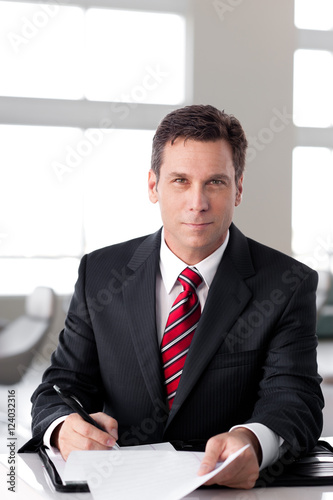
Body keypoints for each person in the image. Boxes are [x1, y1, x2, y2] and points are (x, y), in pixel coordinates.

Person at [21, 104, 324, 490]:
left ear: (239, 188)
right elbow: (60, 387)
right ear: (153, 186)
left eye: (215, 182)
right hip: (120, 489)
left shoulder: (287, 282)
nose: (197, 202)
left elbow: (295, 398)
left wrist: (253, 441)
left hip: (229, 491)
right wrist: (63, 427)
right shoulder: (99, 273)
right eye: (180, 180)